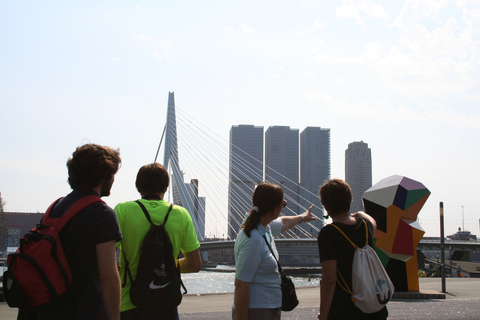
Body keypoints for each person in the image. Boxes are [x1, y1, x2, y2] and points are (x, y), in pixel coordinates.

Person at [34, 143, 123, 320]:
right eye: (112, 174)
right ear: (103, 176)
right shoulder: (102, 214)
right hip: (85, 310)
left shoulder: (55, 208)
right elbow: (108, 278)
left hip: (49, 308)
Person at [114, 162, 202, 320]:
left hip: (130, 303)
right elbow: (195, 265)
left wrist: (122, 268)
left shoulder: (123, 210)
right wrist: (164, 265)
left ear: (138, 186)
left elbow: (105, 259)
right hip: (166, 303)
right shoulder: (181, 214)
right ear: (166, 187)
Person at [233, 182, 317, 320]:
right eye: (283, 205)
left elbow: (284, 223)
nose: (282, 209)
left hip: (267, 308)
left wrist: (303, 217)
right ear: (274, 209)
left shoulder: (264, 226)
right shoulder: (253, 239)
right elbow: (241, 285)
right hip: (257, 310)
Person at [317, 179, 388, 320]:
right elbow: (372, 221)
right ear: (349, 200)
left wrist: (323, 314)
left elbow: (330, 280)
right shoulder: (365, 226)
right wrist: (358, 214)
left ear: (325, 205)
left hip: (345, 308)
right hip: (374, 306)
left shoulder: (328, 233)